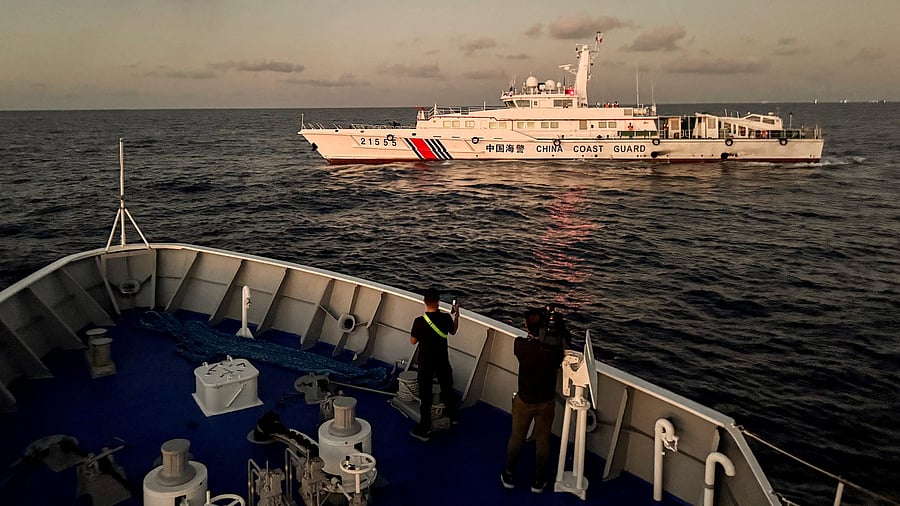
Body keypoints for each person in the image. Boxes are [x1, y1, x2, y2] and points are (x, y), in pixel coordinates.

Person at [501, 307, 566, 493]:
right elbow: (563, 349)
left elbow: (525, 342)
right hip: (546, 403)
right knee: (543, 440)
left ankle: (510, 473)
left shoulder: (521, 346)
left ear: (527, 327)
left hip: (524, 400)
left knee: (516, 437)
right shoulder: (554, 354)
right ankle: (538, 480)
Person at [409, 288, 459, 441]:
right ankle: (452, 416)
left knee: (426, 395)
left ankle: (425, 428)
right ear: (438, 302)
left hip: (426, 362)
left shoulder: (419, 321)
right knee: (447, 387)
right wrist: (457, 314)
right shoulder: (445, 318)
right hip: (442, 360)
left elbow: (413, 341)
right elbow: (454, 331)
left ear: (425, 302)